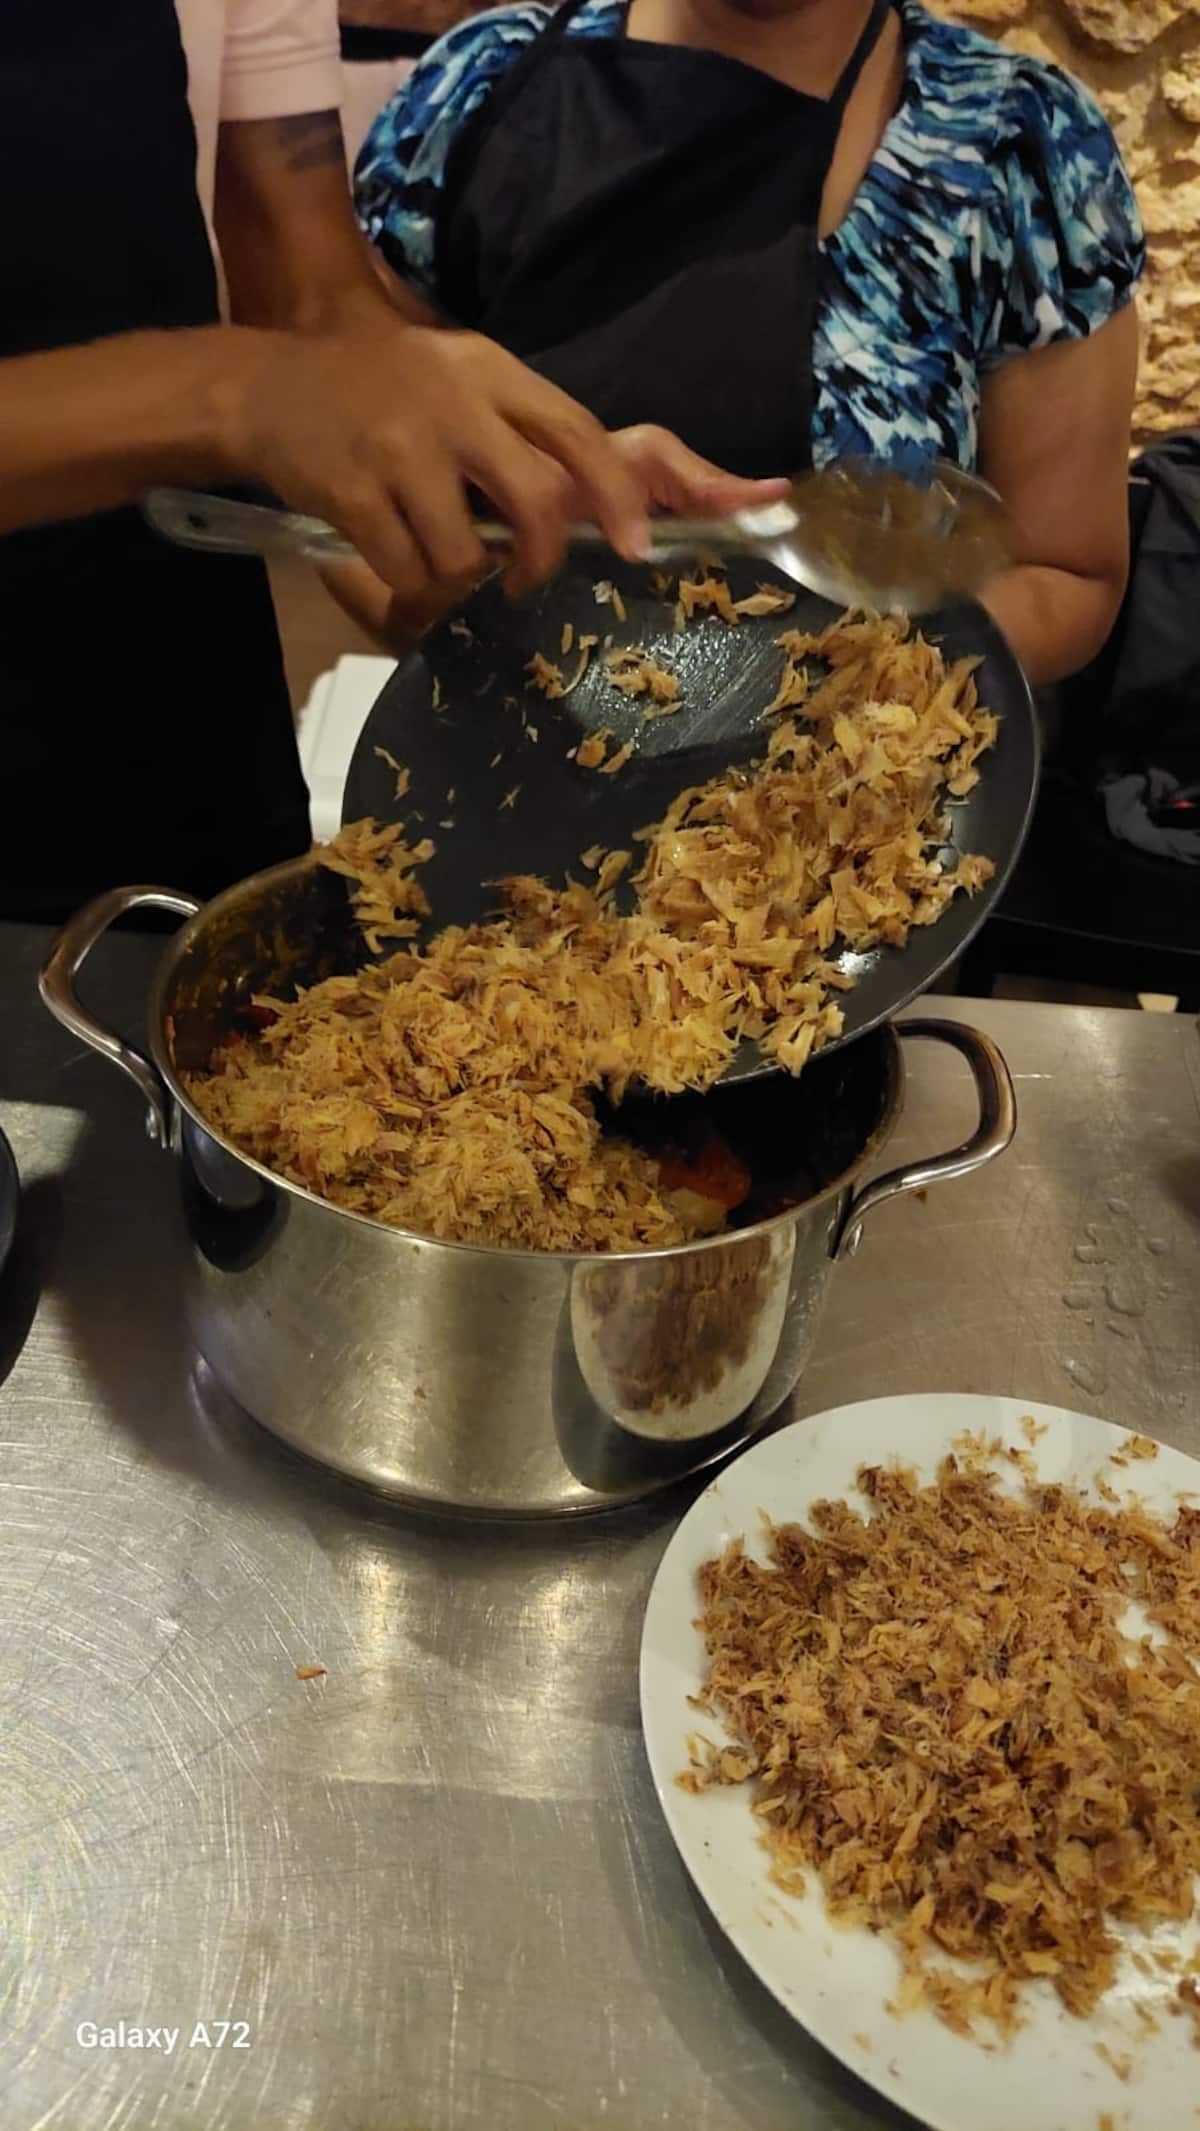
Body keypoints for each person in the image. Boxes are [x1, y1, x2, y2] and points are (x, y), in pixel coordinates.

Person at [0, 0, 779, 921]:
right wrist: (234, 390)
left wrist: (492, 482)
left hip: (179, 702)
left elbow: (309, 292)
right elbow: (271, 373)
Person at [354, 0, 1146, 687]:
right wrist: (446, 620)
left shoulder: (1016, 143)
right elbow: (337, 487)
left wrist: (851, 691)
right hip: (508, 786)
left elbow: (1065, 572)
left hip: (848, 827)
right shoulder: (481, 87)